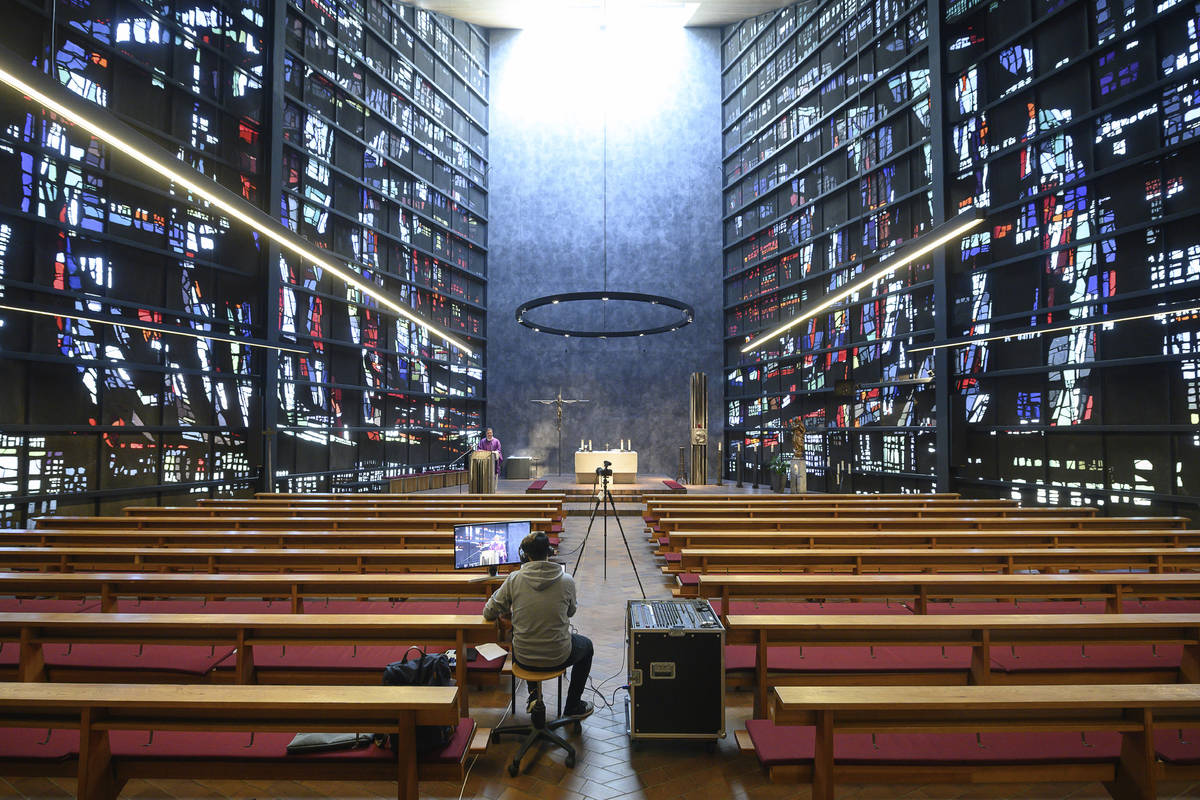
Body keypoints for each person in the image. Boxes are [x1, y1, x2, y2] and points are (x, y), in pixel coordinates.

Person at [482, 531, 594, 719]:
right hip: (558, 655)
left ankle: (534, 697)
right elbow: (571, 612)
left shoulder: (514, 579)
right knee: (587, 647)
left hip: (523, 657)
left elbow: (489, 612)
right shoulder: (566, 580)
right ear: (549, 552)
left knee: (527, 637)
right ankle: (573, 705)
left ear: (524, 556)